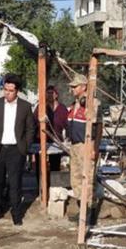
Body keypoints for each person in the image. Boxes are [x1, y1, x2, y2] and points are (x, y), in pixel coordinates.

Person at [0, 74, 35, 226]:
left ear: (17, 91)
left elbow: (31, 128)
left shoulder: (25, 106)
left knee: (15, 183)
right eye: (5, 89)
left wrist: (25, 145)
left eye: (11, 90)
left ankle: (16, 213)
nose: (8, 93)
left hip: (16, 150)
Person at [65, 74, 101, 222]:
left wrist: (94, 148)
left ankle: (90, 212)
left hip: (86, 144)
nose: (72, 89)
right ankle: (82, 209)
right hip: (74, 145)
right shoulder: (74, 104)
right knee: (76, 178)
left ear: (84, 87)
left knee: (88, 177)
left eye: (75, 86)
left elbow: (97, 127)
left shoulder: (92, 103)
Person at [34, 84, 69, 172]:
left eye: (52, 93)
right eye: (48, 93)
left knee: (55, 166)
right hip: (41, 140)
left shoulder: (62, 109)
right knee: (40, 167)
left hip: (56, 141)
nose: (49, 95)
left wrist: (67, 139)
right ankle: (41, 185)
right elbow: (33, 122)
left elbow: (67, 125)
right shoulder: (40, 107)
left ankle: (53, 185)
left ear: (56, 95)